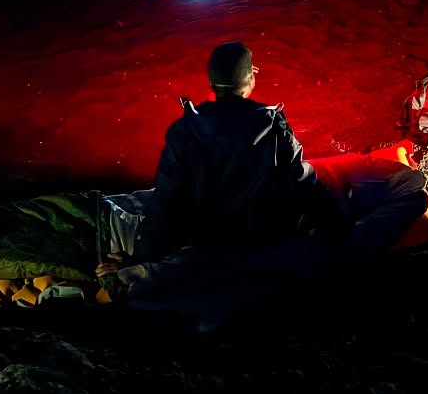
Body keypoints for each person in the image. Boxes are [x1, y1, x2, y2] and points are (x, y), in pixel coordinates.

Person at [107, 42, 341, 267]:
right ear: (251, 78)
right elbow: (301, 180)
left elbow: (166, 200)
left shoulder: (185, 129)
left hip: (203, 235)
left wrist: (140, 259)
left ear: (211, 82)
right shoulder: (272, 125)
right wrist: (334, 217)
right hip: (256, 234)